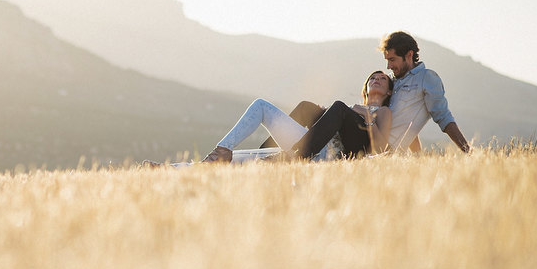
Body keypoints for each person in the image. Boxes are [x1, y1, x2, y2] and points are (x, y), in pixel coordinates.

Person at [145, 70, 393, 166]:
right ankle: (172, 169)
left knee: (337, 107)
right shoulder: (349, 108)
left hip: (329, 158)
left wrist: (365, 117)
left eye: (382, 79)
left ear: (389, 91)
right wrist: (323, 114)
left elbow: (381, 147)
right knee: (236, 156)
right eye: (372, 77)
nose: (376, 79)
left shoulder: (382, 112)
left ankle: (288, 156)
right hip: (312, 148)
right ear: (365, 86)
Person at [290, 31, 470, 158]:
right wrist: (418, 156)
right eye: (387, 60)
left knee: (339, 108)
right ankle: (269, 155)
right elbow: (408, 124)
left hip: (380, 148)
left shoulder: (427, 78)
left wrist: (468, 152)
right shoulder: (394, 81)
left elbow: (443, 118)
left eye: (392, 60)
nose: (388, 67)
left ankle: (296, 156)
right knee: (310, 109)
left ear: (409, 55)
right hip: (364, 136)